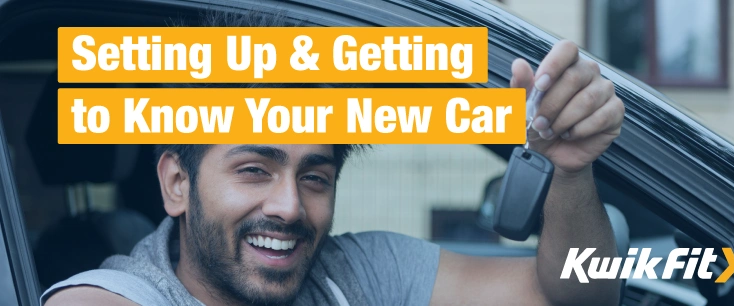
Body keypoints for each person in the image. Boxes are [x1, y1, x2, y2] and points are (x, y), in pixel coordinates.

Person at [42, 11, 625, 306]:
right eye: (254, 169)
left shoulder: (355, 274)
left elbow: (570, 294)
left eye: (315, 176)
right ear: (176, 182)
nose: (290, 206)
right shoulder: (113, 297)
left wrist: (570, 172)